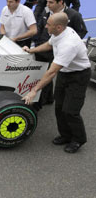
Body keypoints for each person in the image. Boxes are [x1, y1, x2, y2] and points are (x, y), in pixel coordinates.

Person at [22, 12, 91, 154]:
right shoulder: (58, 33)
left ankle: (78, 139)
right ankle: (65, 135)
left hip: (78, 76)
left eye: (49, 24)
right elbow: (49, 44)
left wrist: (34, 90)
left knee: (70, 110)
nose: (46, 26)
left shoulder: (68, 44)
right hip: (65, 73)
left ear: (58, 27)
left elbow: (51, 72)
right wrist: (32, 50)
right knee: (59, 107)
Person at [34, 0, 87, 108]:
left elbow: (82, 31)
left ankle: (39, 102)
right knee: (42, 72)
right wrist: (37, 41)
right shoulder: (47, 10)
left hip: (61, 51)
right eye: (47, 2)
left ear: (61, 2)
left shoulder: (74, 15)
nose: (47, 5)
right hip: (45, 46)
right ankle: (48, 98)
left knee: (48, 73)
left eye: (51, 2)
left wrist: (67, 45)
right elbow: (42, 26)